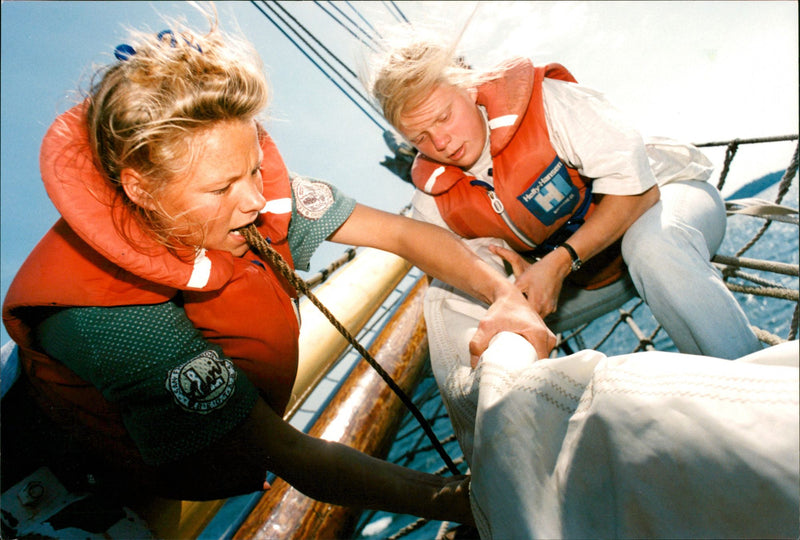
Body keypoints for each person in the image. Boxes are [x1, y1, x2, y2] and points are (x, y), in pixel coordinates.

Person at [0, 14, 557, 525]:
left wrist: (500, 295)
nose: (253, 201)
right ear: (141, 188)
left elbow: (404, 233)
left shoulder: (263, 199)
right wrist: (462, 502)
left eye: (254, 168)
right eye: (221, 187)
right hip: (51, 490)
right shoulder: (108, 315)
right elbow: (293, 456)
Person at [367, 32, 762, 360]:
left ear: (470, 88)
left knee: (651, 246)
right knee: (448, 304)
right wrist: (504, 283)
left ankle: (758, 401)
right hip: (587, 281)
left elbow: (639, 192)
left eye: (443, 117)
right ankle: (515, 440)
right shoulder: (431, 201)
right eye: (420, 138)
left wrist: (558, 262)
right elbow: (468, 268)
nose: (441, 141)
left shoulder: (549, 102)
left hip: (669, 208)